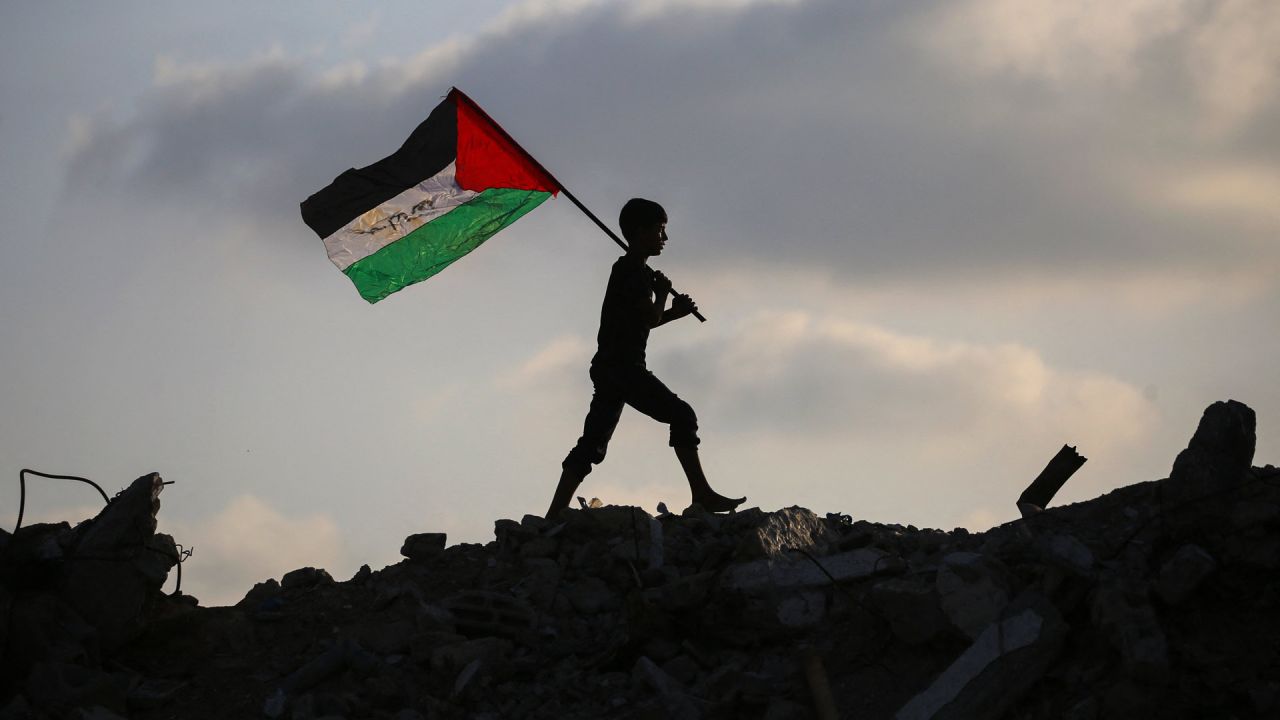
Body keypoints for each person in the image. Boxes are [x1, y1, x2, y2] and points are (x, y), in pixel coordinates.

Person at [548, 198, 746, 518]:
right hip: (623, 368)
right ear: (641, 232)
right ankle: (702, 494)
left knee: (592, 444)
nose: (664, 238)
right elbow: (650, 320)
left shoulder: (630, 270)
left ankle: (554, 513)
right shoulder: (632, 272)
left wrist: (674, 312)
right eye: (660, 230)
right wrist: (664, 294)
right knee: (682, 415)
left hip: (610, 368)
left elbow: (643, 320)